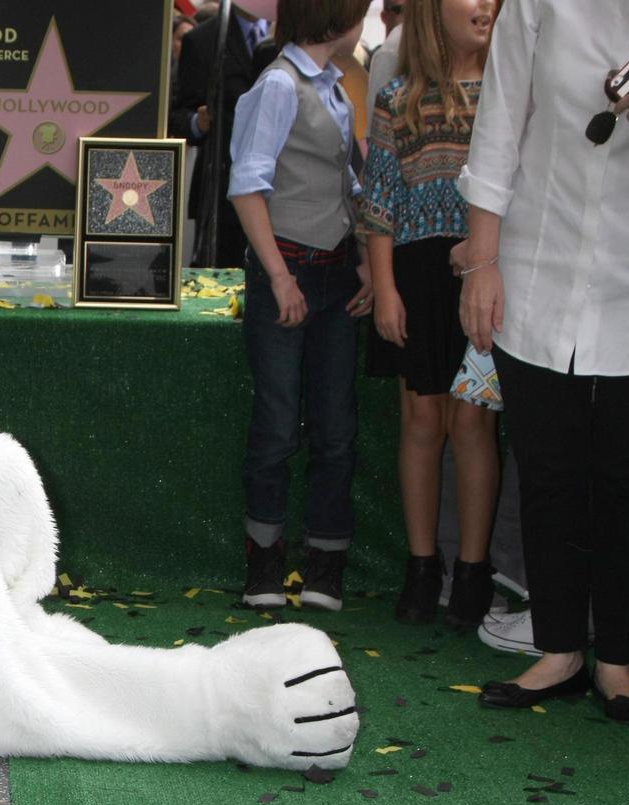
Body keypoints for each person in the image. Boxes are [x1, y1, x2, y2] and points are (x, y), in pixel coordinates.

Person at [460, 0, 629, 720]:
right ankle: (560, 650)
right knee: (548, 468)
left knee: (627, 478)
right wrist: (481, 263)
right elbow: (498, 130)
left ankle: (618, 661)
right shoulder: (540, 4)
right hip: (536, 268)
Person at [228, 0, 374, 612]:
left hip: (337, 274)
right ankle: (264, 563)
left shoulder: (336, 86)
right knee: (278, 427)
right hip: (287, 273)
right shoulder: (278, 86)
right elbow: (247, 184)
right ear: (339, 18)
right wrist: (280, 277)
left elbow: (347, 182)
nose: (365, 23)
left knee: (336, 429)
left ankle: (325, 564)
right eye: (361, 11)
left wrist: (365, 257)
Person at [359, 0, 498, 628]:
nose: (487, 5)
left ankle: (473, 571)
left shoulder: (507, 92)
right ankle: (422, 565)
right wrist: (385, 290)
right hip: (415, 274)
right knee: (421, 419)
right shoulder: (396, 97)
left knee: (472, 422)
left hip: (482, 272)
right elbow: (378, 203)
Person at [170, 4, 273, 267]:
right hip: (222, 192)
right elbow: (179, 116)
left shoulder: (290, 36)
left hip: (279, 191)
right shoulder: (203, 40)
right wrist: (198, 122)